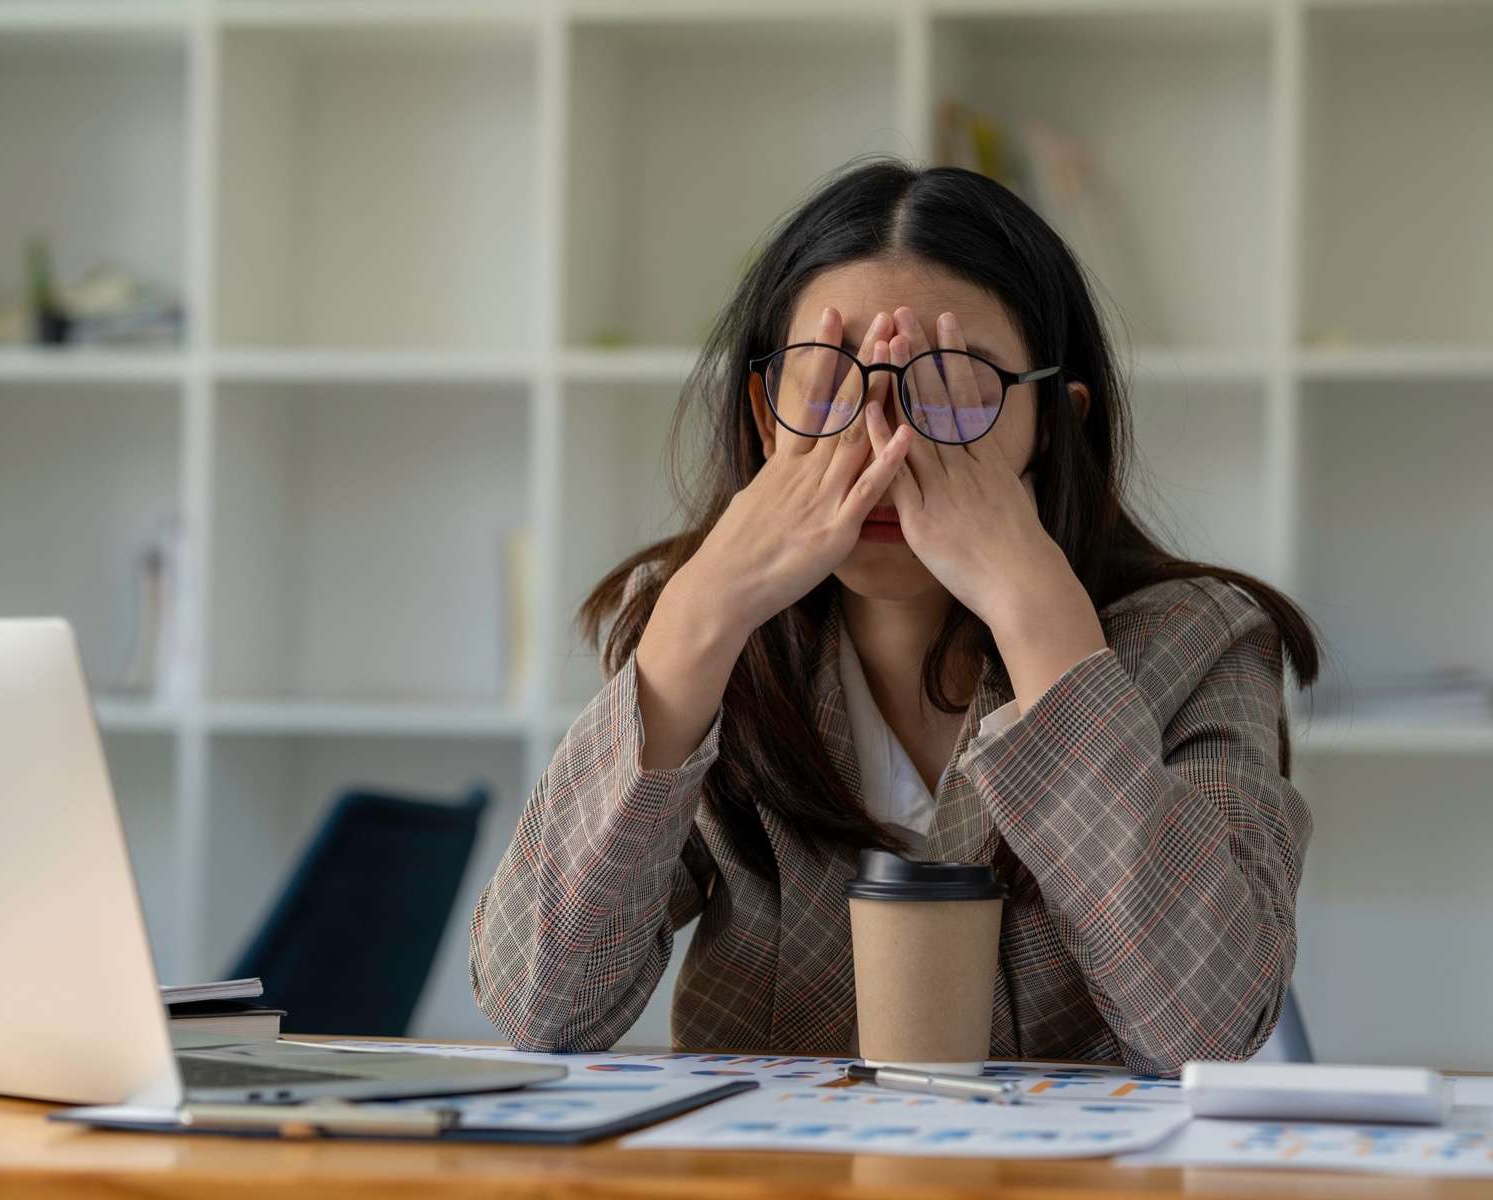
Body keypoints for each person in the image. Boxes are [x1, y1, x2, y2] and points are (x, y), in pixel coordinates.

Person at [469, 158, 1318, 1075]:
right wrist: (697, 620)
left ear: (1056, 423)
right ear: (764, 415)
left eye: (951, 386)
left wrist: (1044, 627)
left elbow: (1209, 1029)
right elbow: (537, 1007)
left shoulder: (1201, 640)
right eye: (830, 381)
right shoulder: (702, 633)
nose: (884, 441)